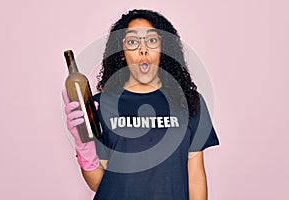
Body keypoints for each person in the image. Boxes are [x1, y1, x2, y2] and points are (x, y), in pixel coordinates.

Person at [62, 9, 219, 200]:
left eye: (152, 40)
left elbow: (195, 178)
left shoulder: (189, 102)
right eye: (132, 42)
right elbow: (97, 183)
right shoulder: (101, 105)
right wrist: (84, 147)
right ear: (122, 53)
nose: (143, 49)